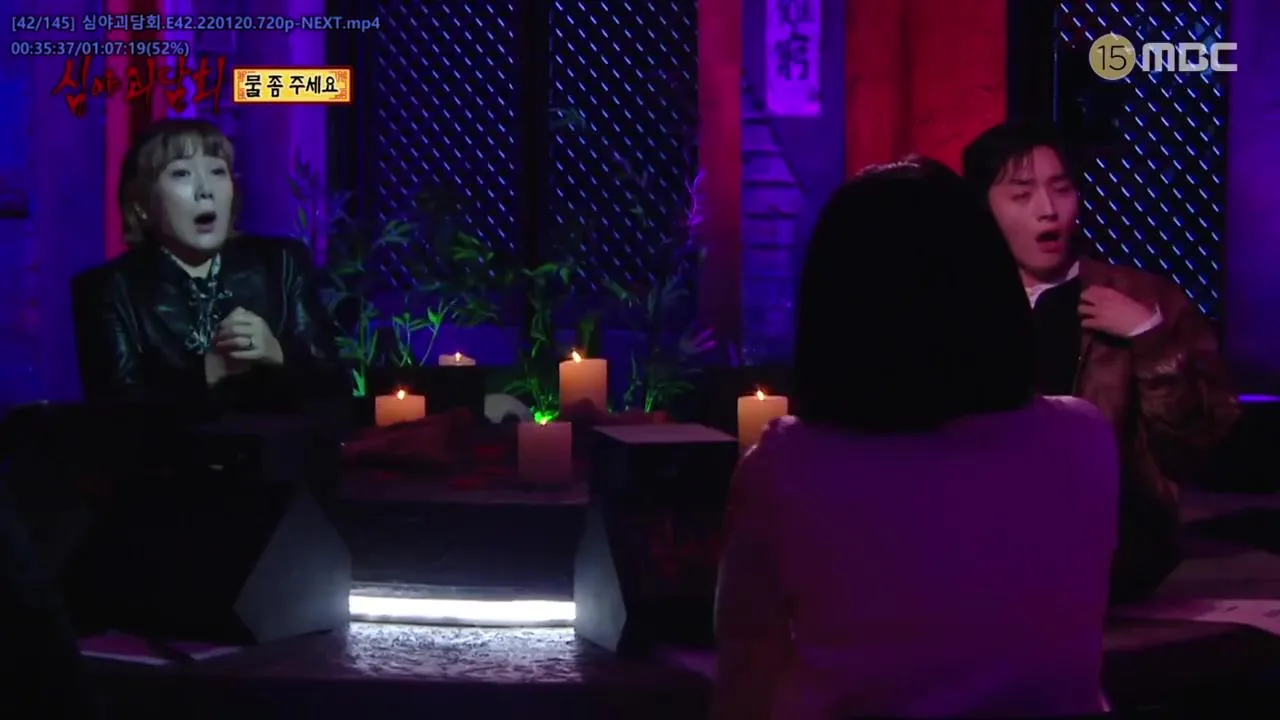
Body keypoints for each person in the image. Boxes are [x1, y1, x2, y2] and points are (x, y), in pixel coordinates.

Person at [713, 158, 1118, 719]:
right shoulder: (1082, 437)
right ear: (992, 288)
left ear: (837, 308)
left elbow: (744, 685)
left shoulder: (787, 467)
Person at [962, 122, 1239, 603]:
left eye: (1061, 189)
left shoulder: (1142, 296)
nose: (1048, 210)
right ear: (984, 207)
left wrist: (1150, 339)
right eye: (1022, 194)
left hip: (1114, 555)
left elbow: (1200, 441)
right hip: (978, 555)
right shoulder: (957, 305)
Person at [72, 118, 346, 416]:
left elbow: (337, 389)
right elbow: (115, 416)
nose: (205, 190)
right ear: (142, 206)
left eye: (217, 172)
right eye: (181, 173)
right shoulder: (108, 289)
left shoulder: (281, 264)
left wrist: (277, 353)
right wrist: (208, 372)